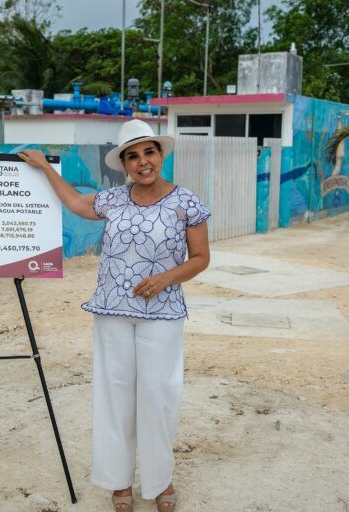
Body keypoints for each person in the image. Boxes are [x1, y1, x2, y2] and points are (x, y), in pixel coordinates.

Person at [19, 119, 211, 512]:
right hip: (111, 310)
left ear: (160, 155)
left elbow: (201, 258)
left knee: (159, 396)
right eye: (133, 156)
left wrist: (165, 279)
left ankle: (160, 481)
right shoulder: (113, 200)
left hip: (163, 312)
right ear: (123, 164)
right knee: (115, 396)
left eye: (149, 152)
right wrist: (44, 166)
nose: (143, 162)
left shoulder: (186, 202)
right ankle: (119, 482)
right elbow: (74, 202)